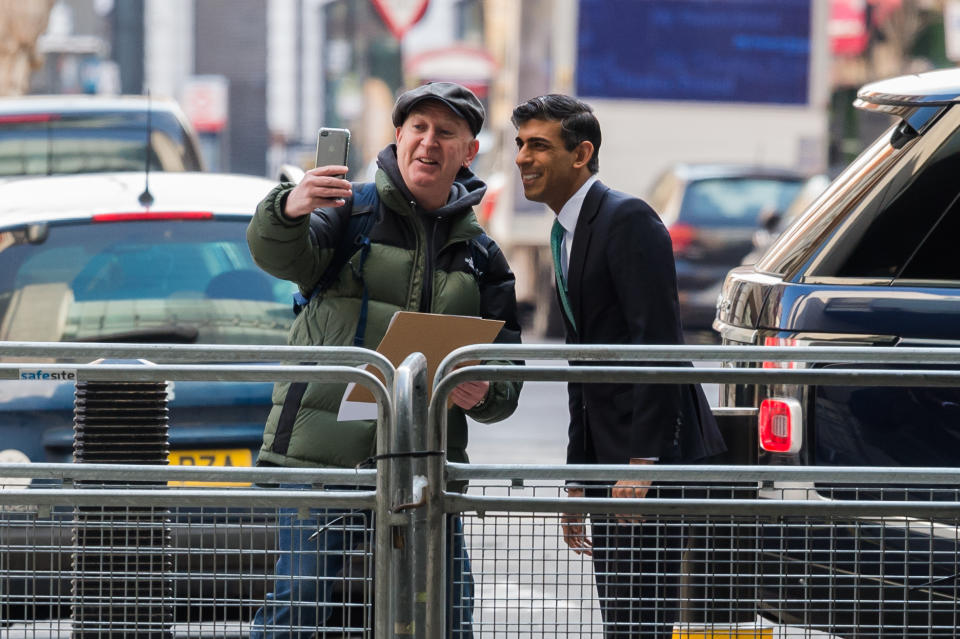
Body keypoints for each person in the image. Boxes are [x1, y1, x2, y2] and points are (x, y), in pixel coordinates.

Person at [247, 81, 523, 638]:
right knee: (298, 608)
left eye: (446, 133)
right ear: (397, 138)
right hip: (320, 464)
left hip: (423, 467)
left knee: (446, 613)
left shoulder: (482, 255)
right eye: (418, 129)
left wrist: (483, 393)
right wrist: (290, 206)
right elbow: (275, 252)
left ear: (469, 151)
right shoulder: (347, 212)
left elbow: (506, 378)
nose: (429, 142)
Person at [511, 94, 726, 638]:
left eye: (538, 145)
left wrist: (641, 461)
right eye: (519, 144)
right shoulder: (564, 232)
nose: (520, 158)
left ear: (581, 153)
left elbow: (658, 343)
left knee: (641, 619)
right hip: (612, 460)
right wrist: (579, 478)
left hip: (652, 456)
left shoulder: (626, 218)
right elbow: (582, 366)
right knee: (623, 617)